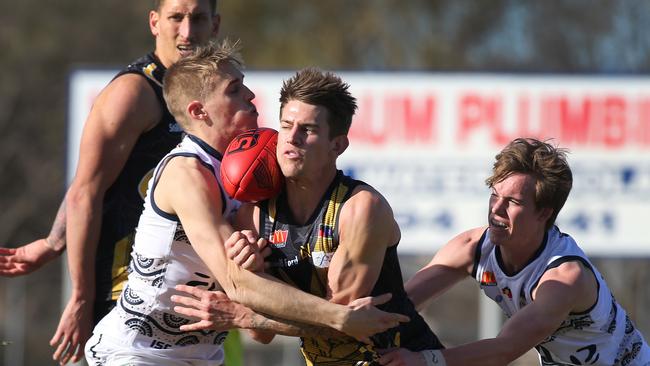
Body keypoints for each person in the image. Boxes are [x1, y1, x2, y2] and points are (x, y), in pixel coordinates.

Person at [84, 41, 409, 366]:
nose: (251, 96)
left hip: (202, 357)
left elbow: (257, 315)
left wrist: (259, 260)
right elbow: (237, 283)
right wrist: (339, 318)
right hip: (135, 353)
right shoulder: (186, 172)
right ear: (200, 111)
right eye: (234, 90)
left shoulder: (258, 170)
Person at [173, 67, 445, 365]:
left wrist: (249, 307)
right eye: (286, 125)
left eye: (308, 129)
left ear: (337, 145)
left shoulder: (360, 208)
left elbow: (342, 324)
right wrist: (254, 282)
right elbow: (260, 335)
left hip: (403, 358)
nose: (292, 138)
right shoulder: (254, 214)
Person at [0, 0, 220, 364]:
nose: (186, 31)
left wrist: (53, 242)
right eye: (176, 18)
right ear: (154, 22)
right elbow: (87, 189)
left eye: (197, 19)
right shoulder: (134, 94)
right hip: (127, 293)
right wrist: (81, 298)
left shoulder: (214, 96)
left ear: (215, 24)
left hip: (191, 296)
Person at [377, 138, 650, 366]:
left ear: (544, 212)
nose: (496, 208)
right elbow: (403, 307)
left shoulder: (564, 278)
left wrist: (423, 360)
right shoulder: (471, 247)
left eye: (513, 202)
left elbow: (503, 350)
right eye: (495, 195)